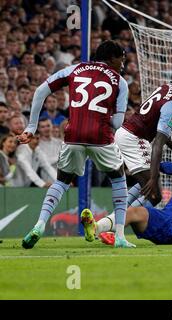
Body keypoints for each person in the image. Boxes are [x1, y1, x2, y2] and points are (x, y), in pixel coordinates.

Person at [18, 40, 135, 248]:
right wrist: (100, 115)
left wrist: (32, 127)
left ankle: (39, 224)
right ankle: (119, 237)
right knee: (118, 180)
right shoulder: (120, 82)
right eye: (121, 59)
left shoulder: (74, 69)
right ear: (111, 59)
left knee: (62, 182)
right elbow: (117, 123)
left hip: (73, 134)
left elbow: (40, 92)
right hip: (100, 137)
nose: (123, 65)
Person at [114, 70, 172, 208]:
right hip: (133, 138)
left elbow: (162, 132)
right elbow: (158, 143)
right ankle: (115, 222)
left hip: (131, 134)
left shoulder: (170, 87)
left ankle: (112, 223)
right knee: (154, 195)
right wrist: (153, 178)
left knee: (145, 183)